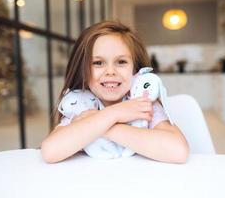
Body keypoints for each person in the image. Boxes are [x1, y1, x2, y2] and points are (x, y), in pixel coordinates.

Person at [41, 21, 189, 163]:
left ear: (135, 70)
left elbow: (179, 151)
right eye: (98, 63)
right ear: (83, 71)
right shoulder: (80, 105)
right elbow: (50, 152)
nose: (110, 72)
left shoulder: (141, 103)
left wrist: (106, 126)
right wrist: (113, 114)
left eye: (121, 62)